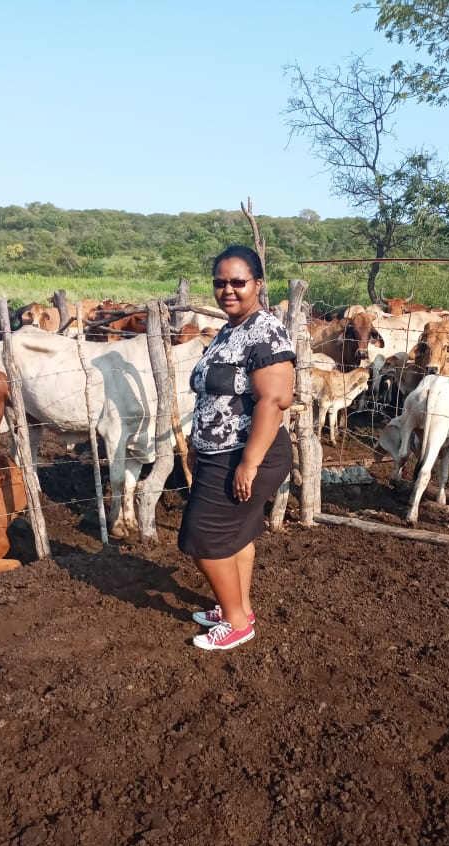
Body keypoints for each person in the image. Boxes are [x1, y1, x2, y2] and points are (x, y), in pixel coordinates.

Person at [178, 245, 296, 650]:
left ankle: (237, 624)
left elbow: (273, 400)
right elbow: (215, 396)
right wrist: (197, 443)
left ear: (258, 284)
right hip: (218, 452)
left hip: (246, 454)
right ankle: (238, 608)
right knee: (236, 536)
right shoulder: (231, 329)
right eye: (220, 282)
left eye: (238, 282)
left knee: (203, 539)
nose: (227, 289)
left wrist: (249, 462)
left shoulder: (265, 330)